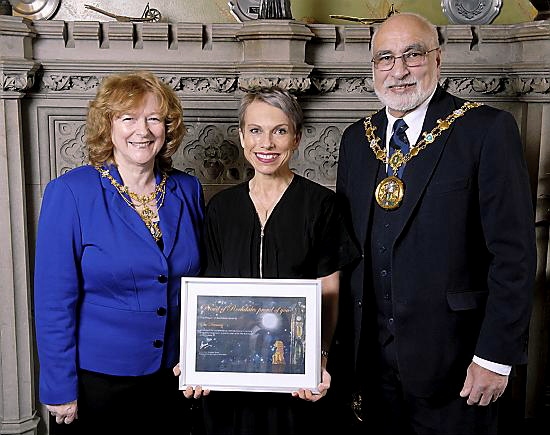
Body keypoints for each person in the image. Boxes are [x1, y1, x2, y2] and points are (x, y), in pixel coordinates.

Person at [335, 12, 536, 435]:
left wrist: (494, 357)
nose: (399, 70)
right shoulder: (356, 140)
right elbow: (348, 250)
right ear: (373, 67)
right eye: (385, 58)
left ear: (437, 59)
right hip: (372, 369)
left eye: (413, 55)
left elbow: (513, 255)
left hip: (459, 367)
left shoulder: (485, 130)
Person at [33, 71, 205, 435]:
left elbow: (199, 283)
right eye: (128, 118)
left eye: (154, 118)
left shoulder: (187, 190)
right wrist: (59, 387)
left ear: (167, 127)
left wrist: (202, 360)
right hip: (98, 383)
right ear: (107, 125)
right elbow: (53, 301)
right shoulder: (70, 193)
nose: (141, 130)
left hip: (172, 377)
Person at [189, 86, 359, 434]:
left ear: (295, 138)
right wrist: (198, 361)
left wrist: (318, 359)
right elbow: (210, 294)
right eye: (255, 130)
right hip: (232, 376)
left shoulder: (321, 205)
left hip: (295, 373)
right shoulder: (221, 208)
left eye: (279, 131)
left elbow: (329, 288)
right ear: (241, 136)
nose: (266, 143)